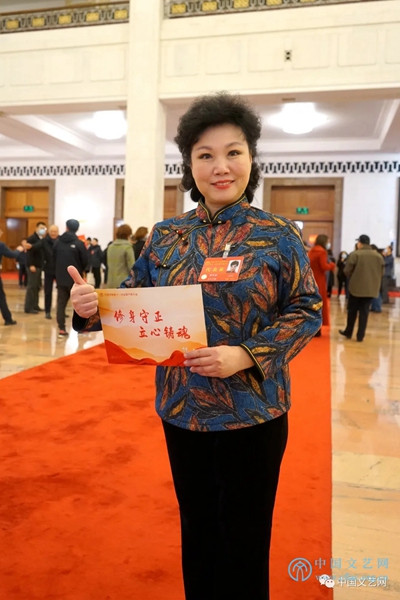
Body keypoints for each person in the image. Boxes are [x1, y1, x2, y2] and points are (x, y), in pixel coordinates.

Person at [69, 92, 322, 600]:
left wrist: (245, 354)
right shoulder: (166, 236)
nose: (220, 166)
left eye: (233, 152)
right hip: (182, 412)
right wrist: (90, 306)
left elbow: (306, 310)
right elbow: (131, 302)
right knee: (199, 532)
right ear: (189, 165)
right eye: (205, 155)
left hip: (253, 413)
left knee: (245, 538)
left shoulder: (277, 235)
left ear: (251, 158)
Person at [339, 234, 384, 342]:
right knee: (364, 312)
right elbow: (382, 272)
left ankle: (349, 331)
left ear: (359, 243)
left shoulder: (355, 254)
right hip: (370, 289)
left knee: (352, 311)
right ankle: (360, 336)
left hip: (356, 288)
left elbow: (347, 271)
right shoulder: (378, 256)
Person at [54, 219, 88, 338]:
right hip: (76, 279)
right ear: (77, 229)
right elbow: (85, 261)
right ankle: (80, 328)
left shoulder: (58, 242)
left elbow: (53, 258)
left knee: (61, 304)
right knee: (80, 304)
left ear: (66, 227)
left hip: (61, 278)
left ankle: (61, 328)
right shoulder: (79, 243)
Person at [308, 234, 335, 337]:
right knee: (320, 304)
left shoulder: (312, 251)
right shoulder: (322, 252)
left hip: (311, 280)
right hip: (319, 280)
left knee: (312, 304)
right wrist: (332, 265)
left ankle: (311, 328)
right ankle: (318, 329)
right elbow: (324, 266)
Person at [0, 228, 24, 326]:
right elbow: (12, 255)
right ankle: (8, 319)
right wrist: (18, 250)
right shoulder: (0, 245)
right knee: (1, 297)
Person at [24, 221, 46, 314]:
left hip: (39, 266)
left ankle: (35, 305)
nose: (42, 230)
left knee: (37, 287)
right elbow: (29, 253)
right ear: (36, 228)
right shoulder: (32, 238)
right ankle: (28, 307)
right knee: (31, 287)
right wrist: (31, 264)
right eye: (41, 228)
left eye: (44, 228)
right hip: (33, 266)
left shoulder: (41, 239)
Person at [105, 224, 135, 289]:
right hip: (123, 283)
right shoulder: (128, 247)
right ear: (128, 235)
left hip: (111, 282)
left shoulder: (110, 247)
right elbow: (132, 268)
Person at [42, 224, 59, 319]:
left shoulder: (60, 241)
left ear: (58, 232)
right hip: (48, 269)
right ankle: (47, 311)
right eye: (51, 231)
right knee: (48, 291)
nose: (53, 233)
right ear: (49, 232)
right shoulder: (44, 241)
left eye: (55, 231)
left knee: (62, 292)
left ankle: (60, 311)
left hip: (59, 269)